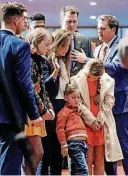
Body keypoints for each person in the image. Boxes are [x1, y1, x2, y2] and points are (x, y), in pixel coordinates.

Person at [0, 2, 44, 175]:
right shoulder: (20, 45)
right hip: (11, 116)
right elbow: (24, 84)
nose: (26, 22)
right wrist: (35, 114)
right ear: (16, 20)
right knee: (10, 166)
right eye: (25, 18)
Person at [70, 58, 123, 175]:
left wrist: (98, 120)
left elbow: (109, 102)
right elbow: (78, 103)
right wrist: (91, 120)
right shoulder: (75, 79)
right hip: (85, 121)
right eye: (88, 76)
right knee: (87, 157)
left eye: (92, 78)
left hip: (102, 123)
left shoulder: (109, 81)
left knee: (100, 158)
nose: (89, 79)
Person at [95, 14, 128, 175]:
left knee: (124, 145)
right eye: (98, 28)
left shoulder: (122, 46)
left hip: (120, 105)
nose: (99, 31)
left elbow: (115, 68)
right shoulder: (99, 48)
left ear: (113, 30)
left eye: (103, 28)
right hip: (102, 105)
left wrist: (88, 60)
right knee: (107, 146)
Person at [22, 28, 54, 175]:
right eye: (46, 45)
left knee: (35, 153)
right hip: (29, 111)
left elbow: (42, 88)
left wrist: (47, 107)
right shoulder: (27, 59)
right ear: (36, 42)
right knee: (36, 152)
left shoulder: (41, 61)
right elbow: (30, 88)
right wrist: (44, 109)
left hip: (34, 110)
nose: (48, 48)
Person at [56, 84, 88, 175]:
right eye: (73, 97)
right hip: (74, 143)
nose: (76, 100)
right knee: (83, 170)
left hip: (83, 144)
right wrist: (64, 144)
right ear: (66, 97)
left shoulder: (78, 111)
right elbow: (60, 129)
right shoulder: (63, 112)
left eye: (78, 97)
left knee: (76, 171)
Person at [59, 6, 93, 76]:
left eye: (74, 21)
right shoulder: (52, 40)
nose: (72, 25)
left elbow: (94, 64)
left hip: (79, 84)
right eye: (68, 21)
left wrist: (86, 59)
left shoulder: (85, 41)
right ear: (61, 21)